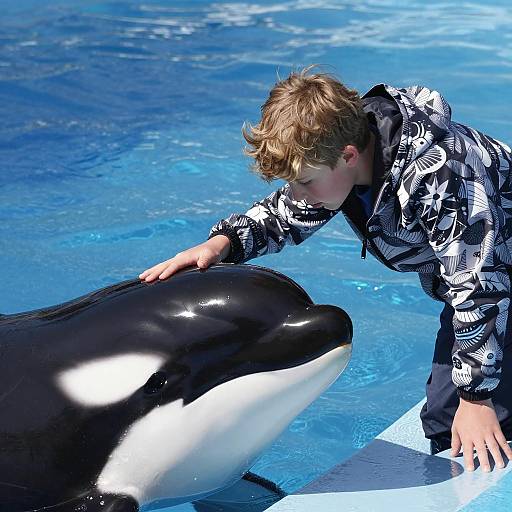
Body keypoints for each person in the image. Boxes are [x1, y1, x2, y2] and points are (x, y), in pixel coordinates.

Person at [139, 66, 512, 473]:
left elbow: (479, 287)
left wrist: (477, 399)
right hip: (489, 281)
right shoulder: (345, 160)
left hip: (495, 281)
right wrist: (222, 243)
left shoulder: (442, 178)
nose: (299, 195)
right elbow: (286, 213)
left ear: (348, 156)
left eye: (305, 182)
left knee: (480, 417)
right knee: (444, 421)